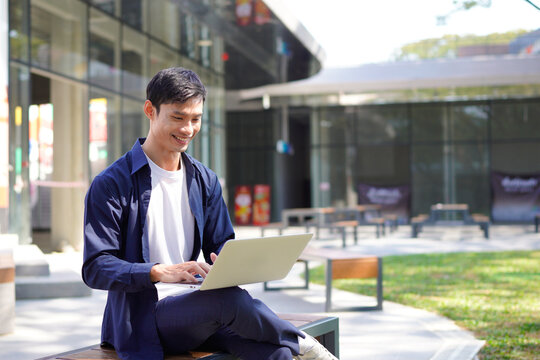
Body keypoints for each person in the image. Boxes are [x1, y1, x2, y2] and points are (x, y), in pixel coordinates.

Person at [82, 67, 337, 360]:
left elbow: (221, 247)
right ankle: (307, 345)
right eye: (178, 117)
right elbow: (95, 267)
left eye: (195, 119)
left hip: (200, 310)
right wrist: (157, 271)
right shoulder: (112, 183)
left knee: (276, 353)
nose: (187, 129)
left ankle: (292, 343)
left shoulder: (204, 180)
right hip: (144, 318)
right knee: (226, 302)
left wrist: (237, 262)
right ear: (150, 110)